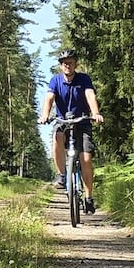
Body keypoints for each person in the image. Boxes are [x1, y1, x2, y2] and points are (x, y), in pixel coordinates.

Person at [38, 49, 104, 213]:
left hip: (82, 121)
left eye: (71, 62)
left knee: (86, 159)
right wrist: (45, 115)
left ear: (76, 64)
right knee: (57, 136)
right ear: (61, 66)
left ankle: (88, 198)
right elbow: (49, 98)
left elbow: (90, 95)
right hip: (63, 121)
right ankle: (61, 175)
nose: (68, 65)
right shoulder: (55, 81)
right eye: (64, 62)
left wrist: (95, 113)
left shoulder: (84, 79)